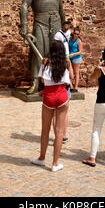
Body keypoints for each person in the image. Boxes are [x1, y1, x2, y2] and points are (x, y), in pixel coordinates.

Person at [32, 40, 70, 172]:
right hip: (62, 96)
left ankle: (42, 158)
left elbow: (44, 80)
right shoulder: (65, 64)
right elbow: (65, 83)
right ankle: (55, 163)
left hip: (48, 97)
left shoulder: (45, 63)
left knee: (45, 129)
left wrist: (44, 90)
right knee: (59, 132)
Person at [68, 27, 83, 92]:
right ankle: (71, 86)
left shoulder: (79, 41)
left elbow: (80, 51)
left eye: (77, 34)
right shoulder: (70, 39)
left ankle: (76, 87)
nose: (76, 35)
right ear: (73, 33)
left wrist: (73, 54)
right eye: (75, 33)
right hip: (69, 57)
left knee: (76, 73)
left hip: (76, 58)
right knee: (69, 72)